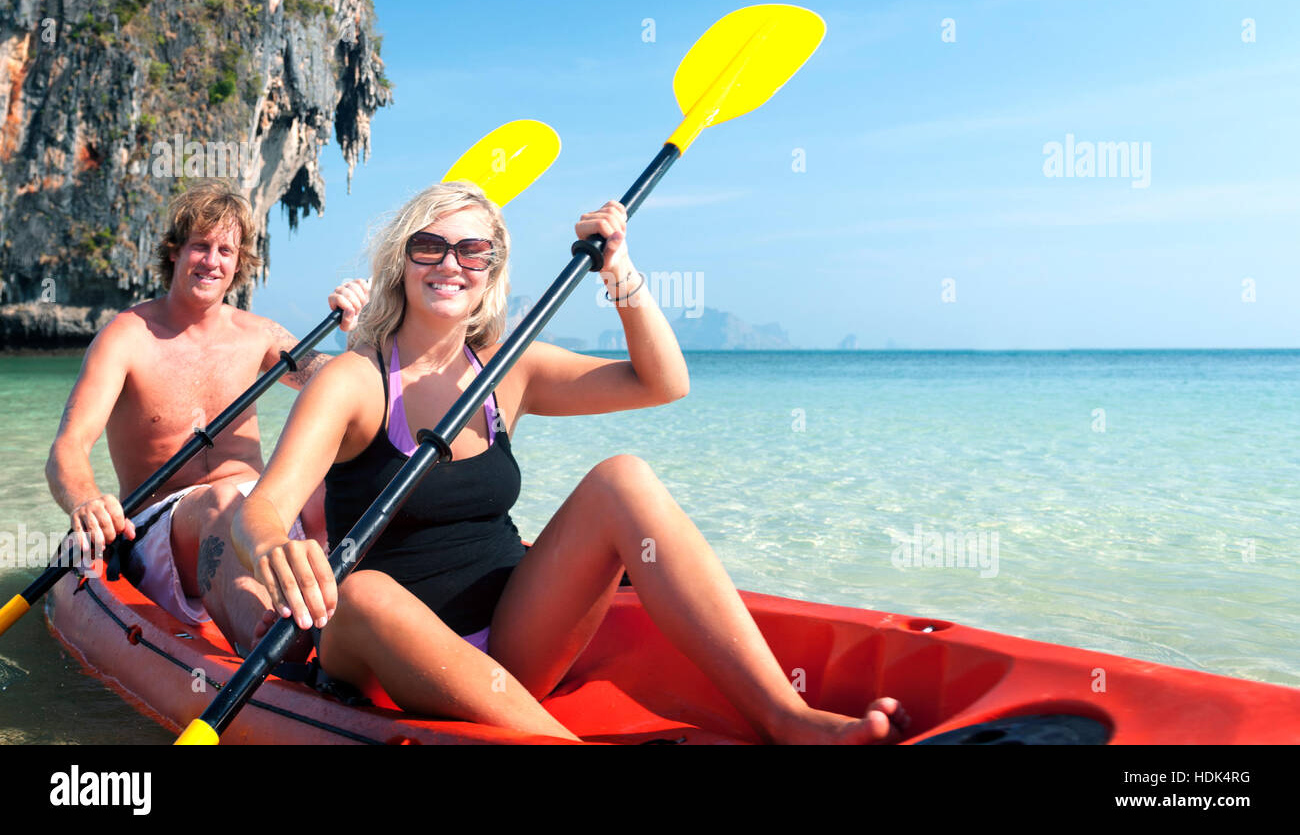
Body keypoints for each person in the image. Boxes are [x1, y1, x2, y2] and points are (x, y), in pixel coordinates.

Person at [232, 180, 908, 743]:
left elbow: (663, 382)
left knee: (624, 479)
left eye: (473, 250)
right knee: (367, 591)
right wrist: (273, 549)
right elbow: (261, 510)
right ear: (399, 263)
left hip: (514, 641)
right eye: (429, 246)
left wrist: (620, 275)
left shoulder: (506, 370)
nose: (450, 264)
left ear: (492, 270)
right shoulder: (353, 380)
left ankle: (786, 717)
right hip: (381, 649)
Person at [45, 182, 369, 655]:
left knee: (333, 470)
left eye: (225, 250)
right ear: (174, 252)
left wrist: (356, 329)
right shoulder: (127, 338)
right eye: (200, 246)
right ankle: (276, 648)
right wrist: (87, 501)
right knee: (219, 501)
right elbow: (68, 448)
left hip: (259, 519)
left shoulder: (258, 336)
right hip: (167, 530)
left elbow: (352, 390)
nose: (212, 261)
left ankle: (348, 619)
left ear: (240, 264)